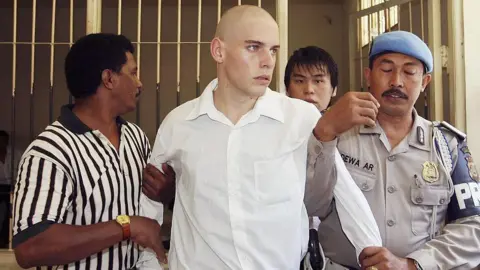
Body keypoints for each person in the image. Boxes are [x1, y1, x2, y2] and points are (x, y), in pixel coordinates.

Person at [144, 5, 380, 269]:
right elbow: (147, 209)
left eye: (273, 50)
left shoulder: (301, 118)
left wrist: (372, 251)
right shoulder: (179, 123)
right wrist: (149, 264)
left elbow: (346, 194)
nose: (268, 61)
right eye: (254, 47)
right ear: (218, 51)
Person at [310, 30, 480, 270]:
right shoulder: (337, 134)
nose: (397, 81)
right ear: (368, 75)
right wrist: (325, 134)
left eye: (410, 72)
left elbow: (473, 227)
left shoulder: (446, 144)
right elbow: (310, 205)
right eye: (386, 70)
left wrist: (413, 264)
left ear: (425, 82)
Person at [11, 33, 166, 269]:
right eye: (133, 73)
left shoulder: (136, 138)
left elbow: (148, 201)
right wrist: (125, 226)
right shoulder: (50, 151)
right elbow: (30, 247)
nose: (140, 83)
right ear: (109, 79)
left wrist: (167, 191)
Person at [285, 46, 382, 270]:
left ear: (334, 89)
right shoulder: (276, 132)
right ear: (287, 89)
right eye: (299, 81)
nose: (309, 90)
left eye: (318, 81)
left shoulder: (353, 134)